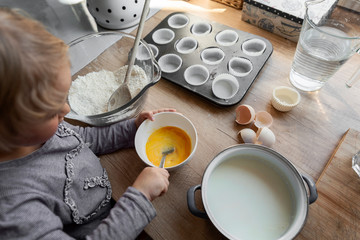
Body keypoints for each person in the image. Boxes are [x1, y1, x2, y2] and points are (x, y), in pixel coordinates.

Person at [0, 7, 174, 239]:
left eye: (64, 98)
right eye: (53, 111)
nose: (67, 110)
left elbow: (85, 139)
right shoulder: (15, 210)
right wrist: (139, 198)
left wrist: (133, 129)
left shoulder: (40, 133)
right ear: (9, 129)